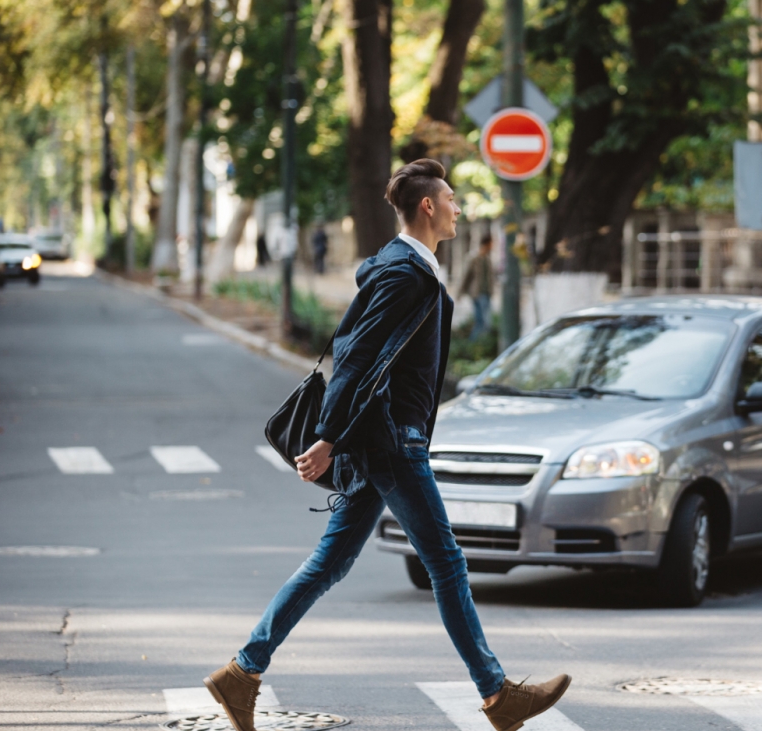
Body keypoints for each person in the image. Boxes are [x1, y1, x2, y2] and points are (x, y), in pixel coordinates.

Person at [202, 159, 571, 731]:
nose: (456, 206)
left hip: (384, 440)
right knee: (447, 563)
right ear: (428, 206)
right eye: (450, 198)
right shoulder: (404, 273)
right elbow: (357, 356)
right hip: (392, 442)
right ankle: (498, 694)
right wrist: (328, 437)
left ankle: (241, 673)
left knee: (329, 562)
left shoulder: (410, 267)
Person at [459, 234, 494, 340]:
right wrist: (460, 292)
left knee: (483, 322)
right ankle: (474, 343)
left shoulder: (488, 259)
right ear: (487, 244)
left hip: (487, 293)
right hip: (477, 293)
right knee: (483, 322)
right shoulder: (474, 258)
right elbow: (466, 276)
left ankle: (478, 344)